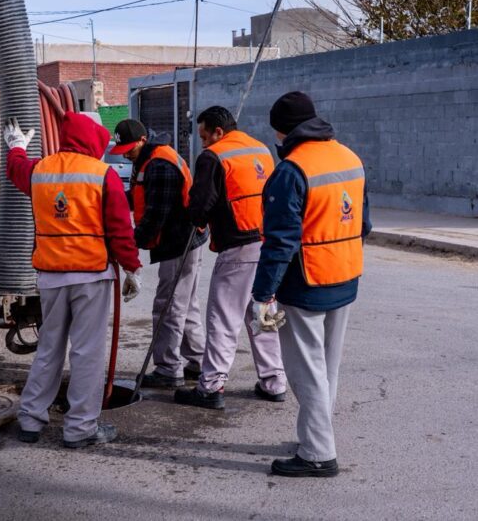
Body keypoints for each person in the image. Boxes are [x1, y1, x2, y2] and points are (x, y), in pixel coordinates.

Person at [4, 112, 142, 449]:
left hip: (51, 278)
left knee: (49, 348)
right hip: (91, 277)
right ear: (93, 140)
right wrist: (132, 268)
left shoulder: (40, 170)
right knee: (86, 353)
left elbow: (16, 169)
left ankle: (30, 419)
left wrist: (17, 147)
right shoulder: (102, 174)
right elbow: (120, 229)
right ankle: (80, 427)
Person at [252, 91, 372, 477]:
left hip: (306, 283)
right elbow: (364, 223)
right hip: (345, 275)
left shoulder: (291, 170)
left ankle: (318, 452)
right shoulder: (349, 157)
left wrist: (262, 294)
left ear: (283, 131)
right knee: (327, 368)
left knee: (306, 372)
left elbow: (280, 242)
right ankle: (317, 435)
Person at [173, 106, 287, 410]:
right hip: (266, 245)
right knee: (263, 315)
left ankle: (211, 386)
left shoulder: (213, 157)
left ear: (218, 132)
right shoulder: (261, 149)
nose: (203, 143)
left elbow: (201, 205)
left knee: (223, 319)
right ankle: (274, 381)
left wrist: (192, 217)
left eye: (204, 136)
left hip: (237, 249)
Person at [110, 119, 208, 388]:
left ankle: (168, 369)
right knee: (185, 304)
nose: (126, 155)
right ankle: (199, 361)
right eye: (123, 151)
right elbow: (140, 195)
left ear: (143, 140)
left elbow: (155, 216)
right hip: (185, 239)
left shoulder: (160, 165)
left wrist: (127, 246)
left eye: (129, 149)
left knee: (168, 305)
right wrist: (111, 199)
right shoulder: (148, 158)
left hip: (179, 242)